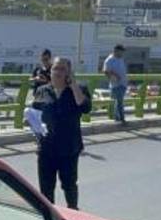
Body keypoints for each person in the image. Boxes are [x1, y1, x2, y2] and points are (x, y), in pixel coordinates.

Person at [34, 57, 92, 209]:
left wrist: (73, 85)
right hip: (46, 147)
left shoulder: (80, 89)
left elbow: (85, 107)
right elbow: (35, 114)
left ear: (69, 72)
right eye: (55, 69)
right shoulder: (42, 91)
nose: (58, 72)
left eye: (62, 69)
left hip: (69, 147)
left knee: (69, 185)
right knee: (46, 188)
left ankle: (73, 213)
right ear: (50, 71)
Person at [103, 45, 129, 123]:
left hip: (123, 84)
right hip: (116, 84)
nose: (122, 53)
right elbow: (106, 71)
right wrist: (114, 76)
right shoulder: (110, 60)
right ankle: (121, 118)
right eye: (121, 51)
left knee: (119, 101)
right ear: (116, 51)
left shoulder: (121, 59)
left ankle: (118, 117)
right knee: (119, 101)